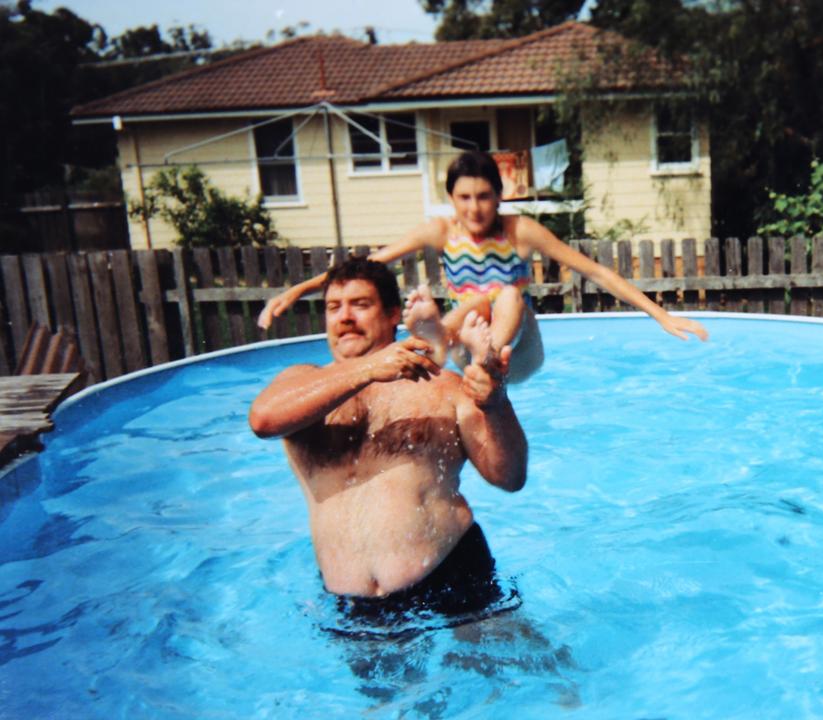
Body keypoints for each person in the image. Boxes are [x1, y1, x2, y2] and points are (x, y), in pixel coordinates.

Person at [257, 150, 709, 383]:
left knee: (504, 293)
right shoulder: (440, 231)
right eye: (465, 197)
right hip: (463, 342)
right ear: (452, 199)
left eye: (484, 196)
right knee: (462, 306)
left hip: (517, 351)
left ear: (499, 196)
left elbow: (593, 270)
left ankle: (457, 348)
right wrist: (297, 291)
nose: (475, 208)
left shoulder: (520, 230)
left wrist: (661, 314)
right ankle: (434, 350)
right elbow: (366, 265)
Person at [248, 257, 527, 619]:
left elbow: (509, 477)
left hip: (453, 576)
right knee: (381, 679)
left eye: (360, 305)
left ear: (394, 313)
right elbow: (263, 420)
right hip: (356, 606)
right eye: (334, 307)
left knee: (508, 670)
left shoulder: (444, 387)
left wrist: (497, 405)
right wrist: (368, 369)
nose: (344, 317)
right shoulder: (300, 381)